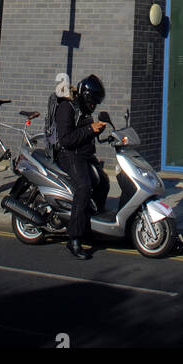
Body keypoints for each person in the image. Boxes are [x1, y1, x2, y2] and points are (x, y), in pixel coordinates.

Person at [53, 72, 109, 259]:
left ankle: (92, 226)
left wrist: (98, 131)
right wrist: (89, 129)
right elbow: (66, 139)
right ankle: (74, 238)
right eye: (93, 102)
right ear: (85, 97)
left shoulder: (83, 110)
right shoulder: (67, 108)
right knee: (84, 187)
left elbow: (84, 134)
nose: (94, 107)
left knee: (103, 182)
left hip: (83, 154)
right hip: (69, 155)